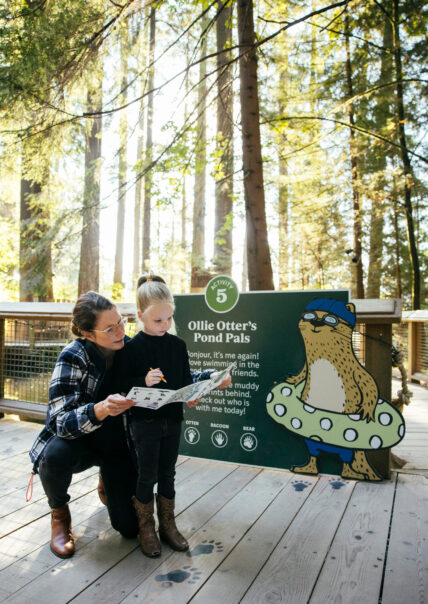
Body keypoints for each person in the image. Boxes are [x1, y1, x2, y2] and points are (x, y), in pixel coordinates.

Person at [114, 275, 231, 558]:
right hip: (144, 422)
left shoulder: (177, 345)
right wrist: (142, 379)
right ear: (140, 316)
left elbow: (184, 379)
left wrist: (194, 392)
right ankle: (147, 528)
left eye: (169, 318)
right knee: (147, 474)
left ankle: (168, 524)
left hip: (173, 418)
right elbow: (118, 385)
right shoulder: (131, 348)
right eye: (157, 320)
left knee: (168, 472)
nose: (165, 325)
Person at [29, 291, 138, 559]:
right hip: (81, 441)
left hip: (118, 443)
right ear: (88, 334)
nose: (120, 331)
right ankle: (60, 515)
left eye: (121, 322)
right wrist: (99, 409)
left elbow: (168, 374)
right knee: (52, 457)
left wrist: (201, 382)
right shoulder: (72, 356)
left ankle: (107, 478)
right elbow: (60, 422)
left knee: (130, 529)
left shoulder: (132, 346)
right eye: (110, 328)